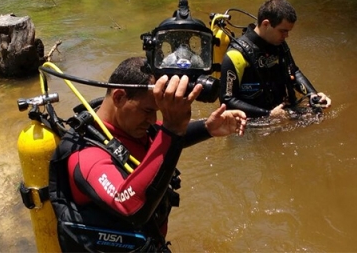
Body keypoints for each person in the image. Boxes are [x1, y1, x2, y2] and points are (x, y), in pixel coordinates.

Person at [49, 57, 247, 252]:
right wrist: (173, 127)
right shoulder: (87, 156)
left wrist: (207, 128)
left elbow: (161, 140)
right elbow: (129, 206)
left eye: (157, 112)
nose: (153, 120)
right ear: (118, 97)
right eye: (147, 110)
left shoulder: (130, 129)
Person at [219, 0, 332, 119]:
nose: (286, 36)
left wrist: (313, 95)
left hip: (282, 112)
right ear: (266, 24)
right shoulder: (236, 55)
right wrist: (268, 114)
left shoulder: (278, 44)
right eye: (283, 31)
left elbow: (294, 72)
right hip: (253, 123)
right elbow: (227, 101)